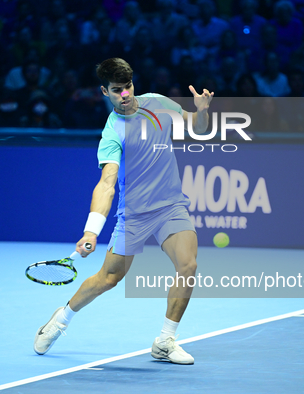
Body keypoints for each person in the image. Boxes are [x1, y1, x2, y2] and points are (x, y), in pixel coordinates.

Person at [34, 58, 214, 365]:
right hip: (134, 214)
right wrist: (91, 230)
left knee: (188, 265)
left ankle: (166, 341)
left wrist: (202, 111)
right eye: (117, 90)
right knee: (109, 278)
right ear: (105, 91)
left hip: (171, 206)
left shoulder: (158, 103)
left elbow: (197, 128)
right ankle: (61, 318)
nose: (125, 94)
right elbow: (107, 183)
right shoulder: (112, 131)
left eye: (128, 86)